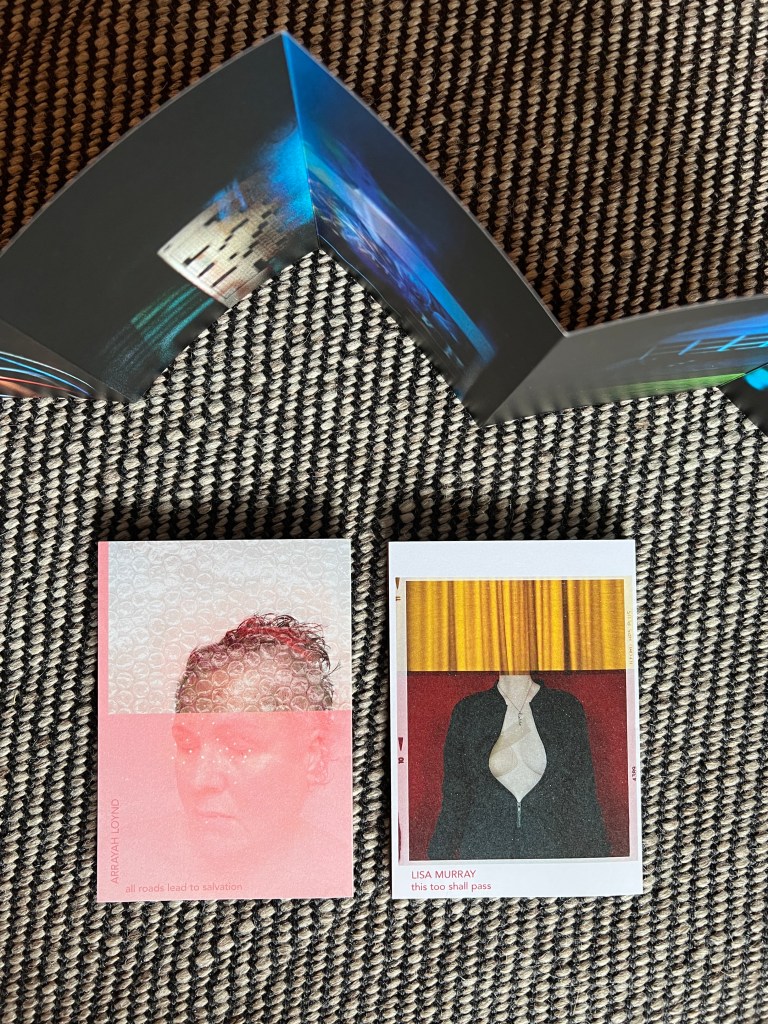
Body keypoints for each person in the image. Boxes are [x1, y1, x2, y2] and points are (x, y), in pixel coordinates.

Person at [169, 614, 349, 896]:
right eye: (188, 744)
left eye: (239, 746)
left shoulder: (337, 872)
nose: (200, 780)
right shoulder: (136, 854)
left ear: (313, 755)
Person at [428, 674, 609, 860]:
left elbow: (583, 795)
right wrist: (436, 862)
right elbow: (455, 798)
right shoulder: (469, 711)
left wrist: (600, 864)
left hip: (550, 855)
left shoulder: (564, 707)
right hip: (485, 855)